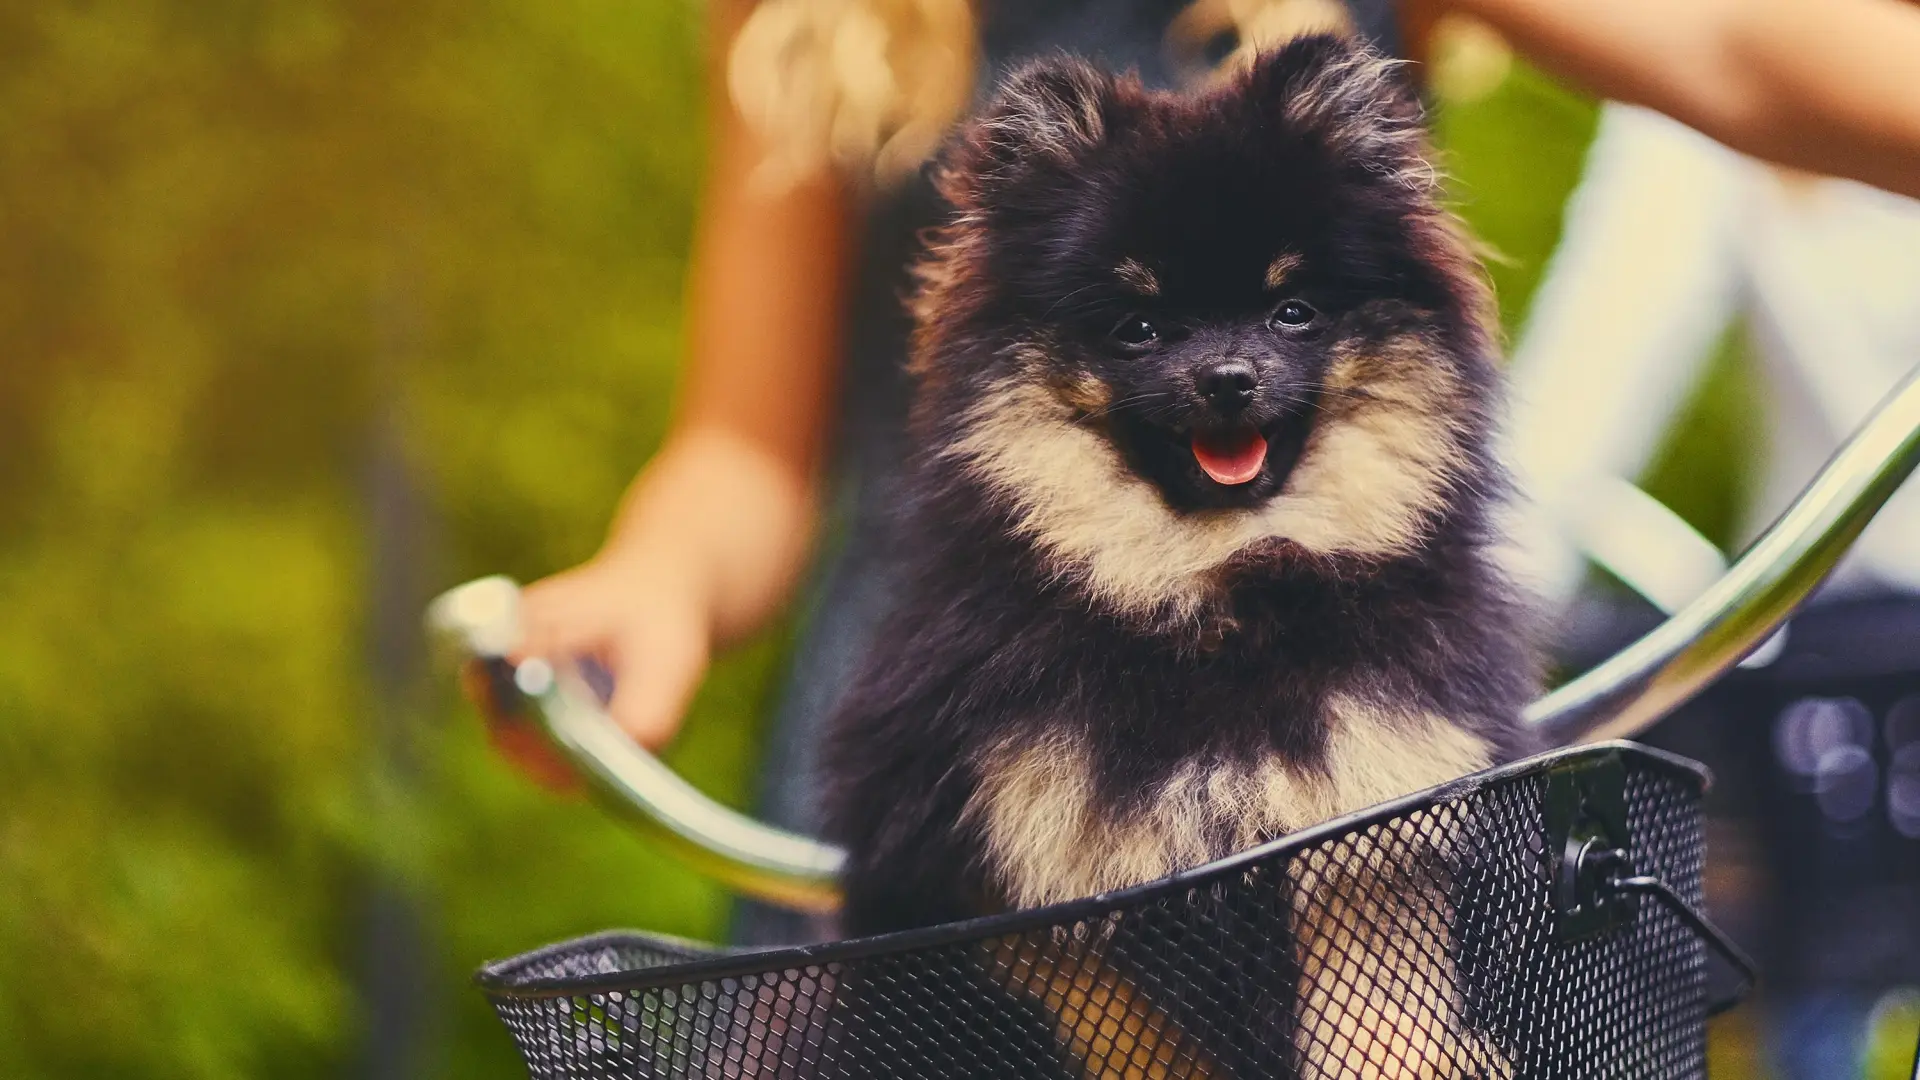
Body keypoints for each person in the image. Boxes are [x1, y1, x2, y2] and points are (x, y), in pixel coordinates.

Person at [498, 0, 1920, 944]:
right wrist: (646, 589)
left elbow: (1739, 38)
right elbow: (741, 455)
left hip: (1343, 801)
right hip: (964, 794)